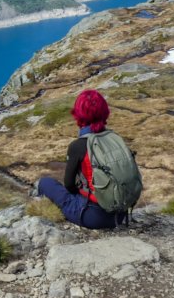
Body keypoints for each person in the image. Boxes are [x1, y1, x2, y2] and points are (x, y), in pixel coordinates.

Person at [36, 89, 128, 229]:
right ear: (104, 112)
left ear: (78, 114)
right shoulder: (116, 140)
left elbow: (69, 185)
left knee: (45, 183)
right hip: (121, 214)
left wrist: (82, 190)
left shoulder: (78, 146)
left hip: (94, 216)